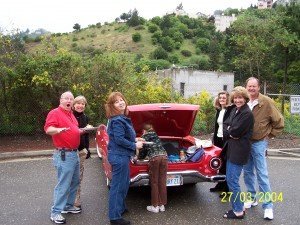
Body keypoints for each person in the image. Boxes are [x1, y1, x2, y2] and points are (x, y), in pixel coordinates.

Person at [243, 77, 284, 220]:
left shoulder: (266, 102)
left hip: (259, 142)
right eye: (249, 86)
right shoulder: (243, 100)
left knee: (262, 174)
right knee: (247, 172)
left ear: (259, 87)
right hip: (245, 143)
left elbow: (279, 122)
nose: (251, 89)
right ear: (246, 87)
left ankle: (268, 206)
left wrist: (269, 135)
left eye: (254, 86)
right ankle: (252, 198)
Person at [105, 92, 144, 225]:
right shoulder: (117, 120)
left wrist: (135, 139)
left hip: (122, 155)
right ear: (112, 106)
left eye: (122, 100)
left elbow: (123, 137)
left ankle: (120, 208)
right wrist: (134, 144)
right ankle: (114, 218)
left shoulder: (121, 118)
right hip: (119, 156)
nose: (121, 102)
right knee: (117, 186)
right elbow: (119, 139)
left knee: (124, 184)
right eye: (117, 101)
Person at [44, 91, 82, 224]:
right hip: (64, 154)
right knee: (63, 184)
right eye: (66, 98)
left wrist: (81, 131)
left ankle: (67, 206)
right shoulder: (55, 113)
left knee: (75, 181)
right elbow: (48, 129)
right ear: (60, 100)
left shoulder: (71, 114)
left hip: (74, 153)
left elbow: (73, 130)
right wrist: (58, 130)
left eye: (71, 99)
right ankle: (55, 212)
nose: (69, 100)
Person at [222, 86, 254, 219]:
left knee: (233, 181)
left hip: (239, 151)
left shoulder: (247, 113)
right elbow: (225, 126)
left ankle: (238, 211)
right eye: (235, 97)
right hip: (232, 149)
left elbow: (235, 131)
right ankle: (238, 207)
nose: (237, 100)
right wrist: (230, 131)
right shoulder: (235, 110)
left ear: (245, 98)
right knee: (230, 180)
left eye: (240, 97)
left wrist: (231, 131)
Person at [140, 123, 168, 213]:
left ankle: (155, 206)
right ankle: (162, 205)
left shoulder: (144, 137)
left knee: (154, 182)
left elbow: (142, 153)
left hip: (154, 159)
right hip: (164, 157)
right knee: (162, 181)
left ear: (144, 130)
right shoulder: (156, 135)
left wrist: (139, 157)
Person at [210, 91, 234, 193]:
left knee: (226, 164)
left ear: (227, 99)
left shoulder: (230, 110)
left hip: (226, 140)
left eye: (224, 98)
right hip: (218, 139)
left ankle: (227, 189)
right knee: (219, 163)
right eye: (220, 98)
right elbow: (217, 127)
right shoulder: (219, 110)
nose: (222, 99)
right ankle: (220, 185)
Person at [73, 95, 91, 209]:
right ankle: (67, 199)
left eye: (83, 104)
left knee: (79, 176)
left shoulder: (85, 117)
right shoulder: (70, 116)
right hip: (71, 150)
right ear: (74, 105)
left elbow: (86, 135)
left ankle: (76, 200)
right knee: (70, 176)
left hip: (81, 150)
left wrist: (87, 149)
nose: (80, 105)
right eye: (78, 103)